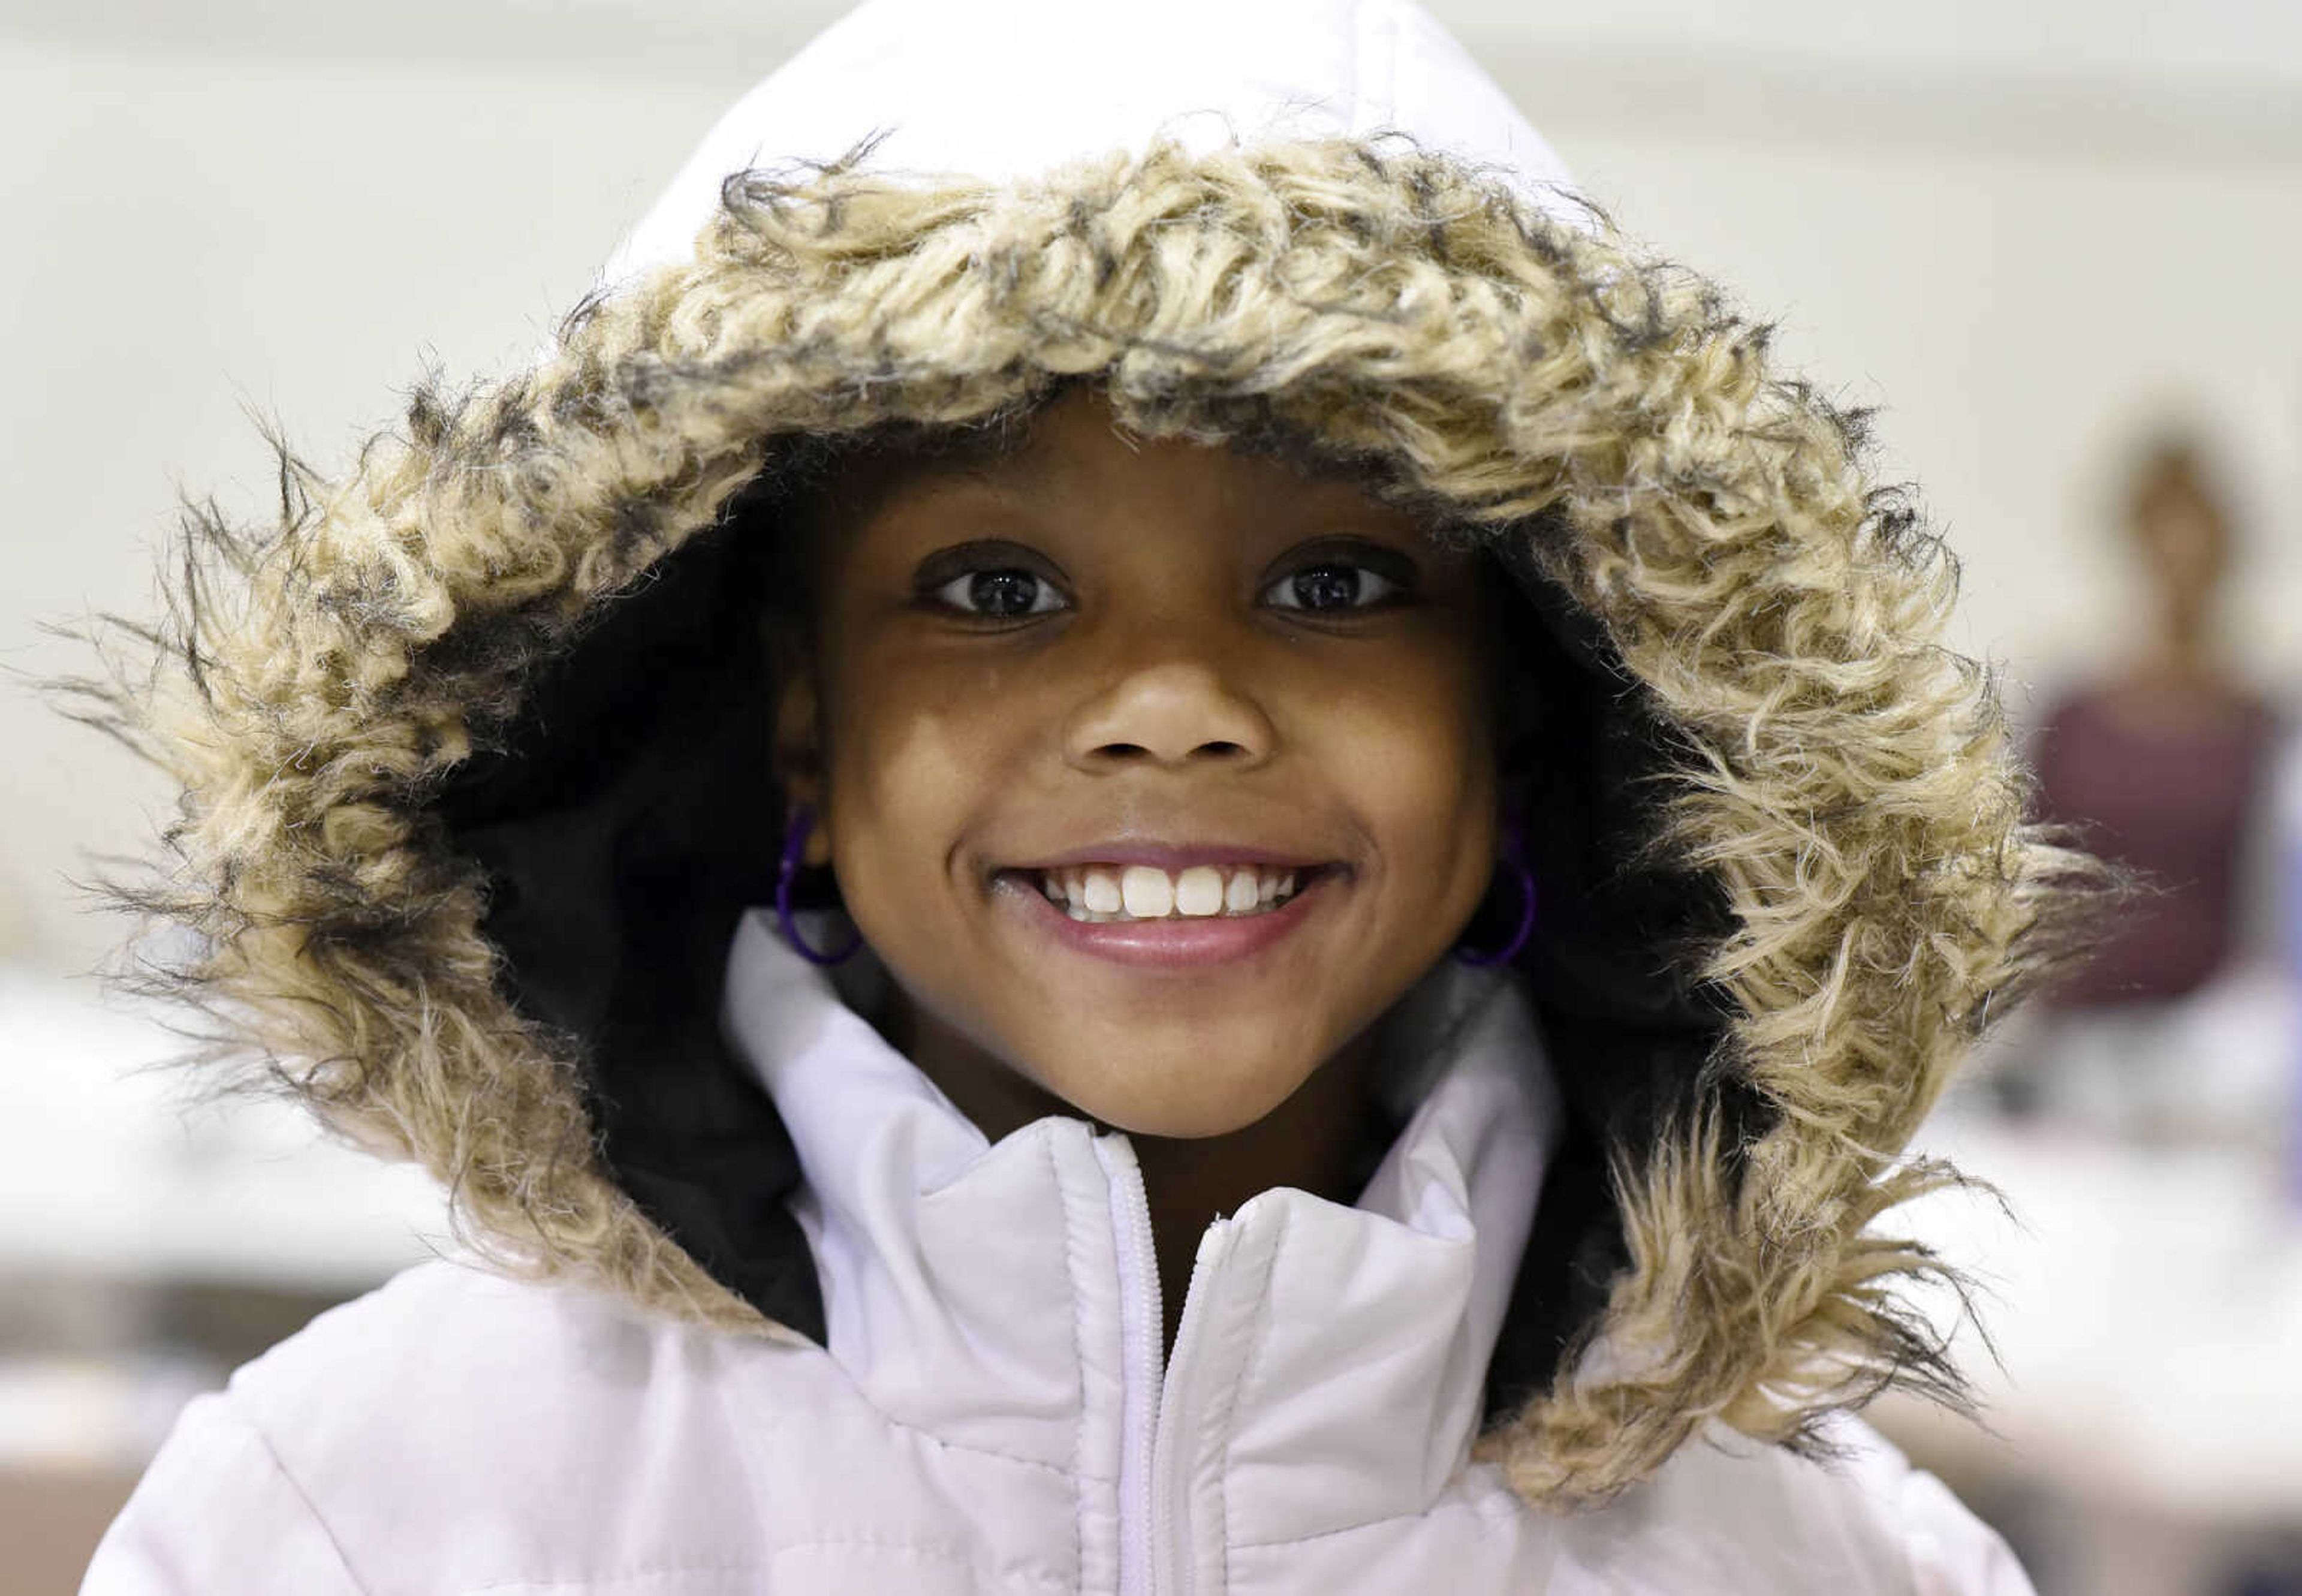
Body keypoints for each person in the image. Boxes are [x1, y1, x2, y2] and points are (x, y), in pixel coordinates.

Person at [73, 0, 2123, 1589]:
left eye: (1336, 580)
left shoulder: (1838, 1565)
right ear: (803, 714)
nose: (1169, 706)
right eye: (994, 589)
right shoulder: (362, 1518)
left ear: (1533, 707)